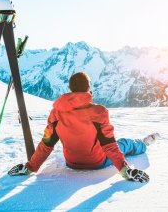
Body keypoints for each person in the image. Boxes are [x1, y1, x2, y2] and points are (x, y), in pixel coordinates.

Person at [8, 72, 159, 183]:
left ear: (70, 88)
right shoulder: (99, 112)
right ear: (88, 88)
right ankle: (143, 144)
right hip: (97, 162)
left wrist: (30, 167)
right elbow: (110, 145)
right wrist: (126, 171)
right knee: (125, 143)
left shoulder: (56, 113)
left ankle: (140, 144)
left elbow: (46, 144)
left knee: (116, 144)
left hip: (71, 162)